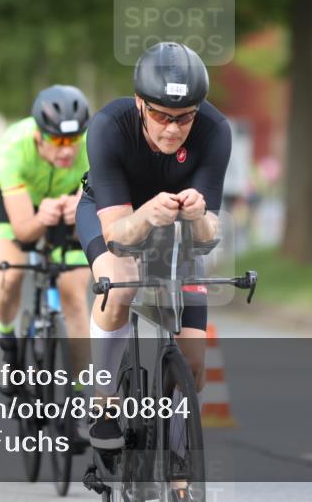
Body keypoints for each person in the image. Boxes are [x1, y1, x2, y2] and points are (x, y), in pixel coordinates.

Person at [76, 42, 231, 452]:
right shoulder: (110, 126)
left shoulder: (216, 131)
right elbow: (116, 235)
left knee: (194, 362)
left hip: (176, 227)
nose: (173, 129)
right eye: (162, 116)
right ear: (139, 104)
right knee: (121, 282)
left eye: (184, 119)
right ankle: (104, 401)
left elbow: (207, 236)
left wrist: (199, 216)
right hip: (112, 213)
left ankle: (179, 468)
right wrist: (146, 215)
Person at [0, 85, 92, 401]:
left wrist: (81, 206)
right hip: (17, 209)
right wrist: (42, 217)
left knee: (73, 295)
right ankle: (6, 343)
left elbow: (101, 202)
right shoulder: (12, 148)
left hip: (66, 211)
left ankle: (80, 395)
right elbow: (24, 230)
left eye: (73, 140)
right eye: (57, 140)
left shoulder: (91, 147)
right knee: (10, 276)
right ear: (38, 136)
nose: (67, 150)